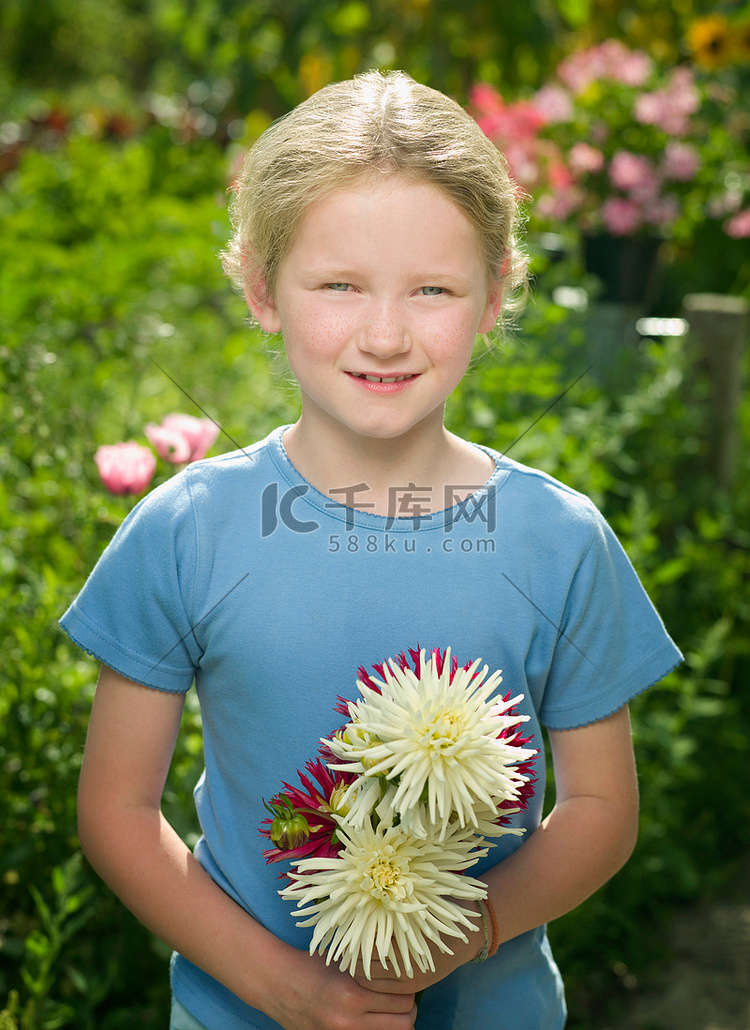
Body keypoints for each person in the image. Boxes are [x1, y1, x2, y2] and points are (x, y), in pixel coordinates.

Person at [60, 70, 682, 1030]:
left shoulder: (560, 542)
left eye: (432, 289)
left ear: (493, 295)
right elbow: (117, 812)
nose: (385, 335)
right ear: (264, 288)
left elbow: (601, 809)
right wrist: (282, 988)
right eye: (340, 285)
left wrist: (473, 925)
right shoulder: (186, 529)